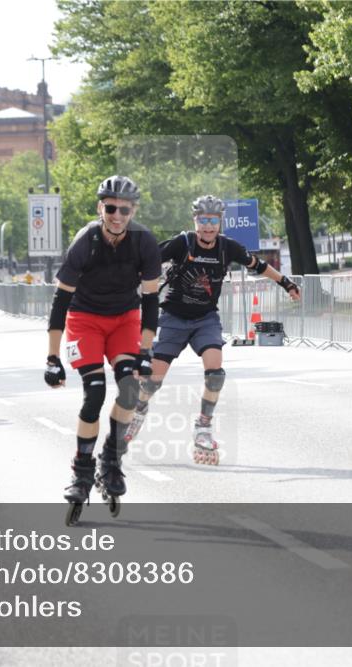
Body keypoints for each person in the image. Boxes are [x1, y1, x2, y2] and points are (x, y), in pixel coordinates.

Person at [122, 195, 301, 465]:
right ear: (195, 220)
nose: (207, 227)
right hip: (173, 318)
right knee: (152, 382)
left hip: (205, 318)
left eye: (213, 221)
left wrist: (285, 283)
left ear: (220, 222)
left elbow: (259, 265)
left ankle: (203, 427)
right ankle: (140, 409)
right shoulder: (182, 243)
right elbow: (146, 262)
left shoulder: (227, 248)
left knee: (215, 374)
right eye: (202, 220)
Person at [45, 175, 162, 525]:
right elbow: (60, 302)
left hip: (125, 318)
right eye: (110, 208)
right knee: (94, 393)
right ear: (100, 208)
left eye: (124, 209)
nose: (117, 215)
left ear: (133, 211)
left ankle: (111, 459)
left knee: (129, 389)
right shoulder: (86, 242)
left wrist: (145, 349)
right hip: (85, 320)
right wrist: (52, 358)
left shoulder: (144, 242)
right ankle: (82, 472)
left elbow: (152, 300)